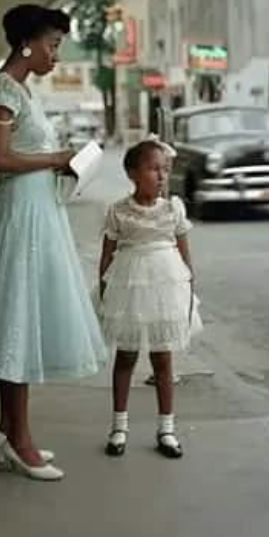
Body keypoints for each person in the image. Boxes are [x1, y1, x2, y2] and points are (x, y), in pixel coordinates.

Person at [0, 4, 106, 482]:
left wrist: (61, 163)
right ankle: (20, 440)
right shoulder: (3, 89)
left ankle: (8, 430)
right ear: (27, 44)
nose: (56, 55)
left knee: (26, 321)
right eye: (53, 45)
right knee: (18, 322)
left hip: (39, 211)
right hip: (21, 215)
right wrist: (58, 156)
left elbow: (20, 152)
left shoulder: (20, 90)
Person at [97, 140, 202, 459]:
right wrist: (104, 296)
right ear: (133, 173)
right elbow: (106, 257)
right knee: (126, 356)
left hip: (165, 289)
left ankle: (166, 429)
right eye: (154, 169)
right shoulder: (118, 211)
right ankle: (119, 426)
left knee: (162, 358)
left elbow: (185, 260)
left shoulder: (173, 209)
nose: (161, 176)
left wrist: (188, 291)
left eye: (165, 170)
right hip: (129, 288)